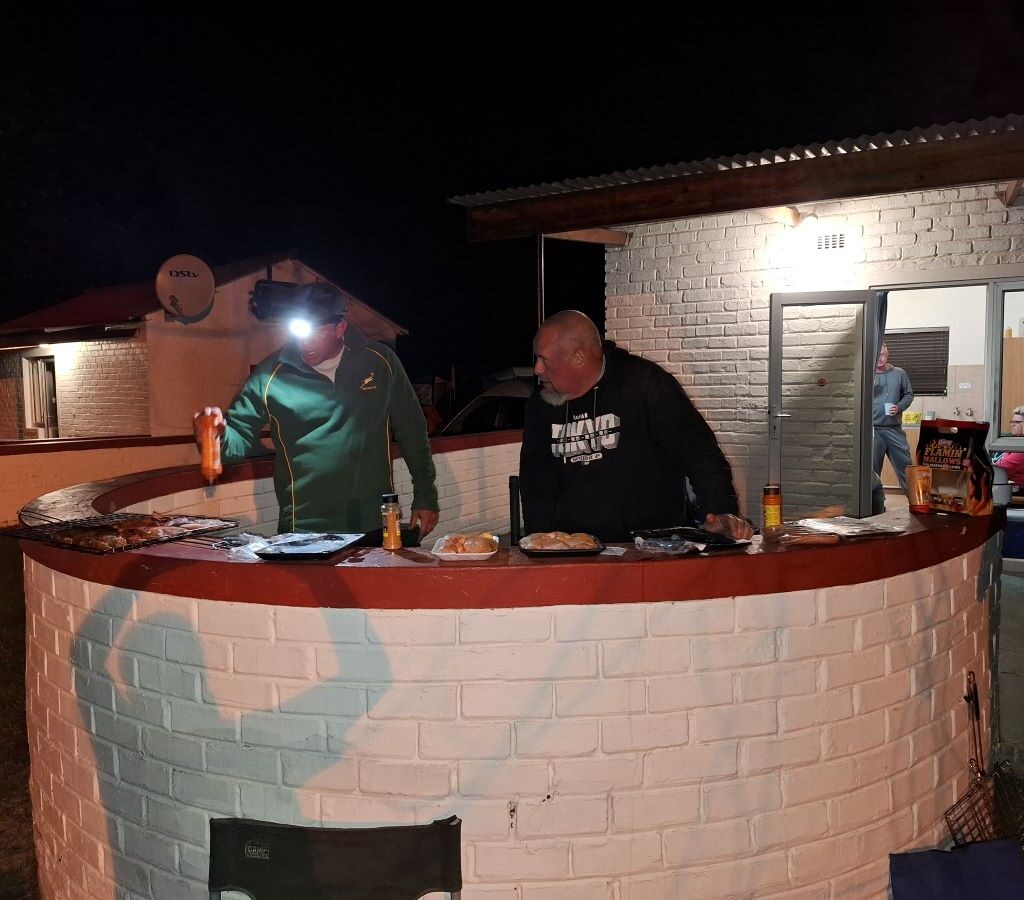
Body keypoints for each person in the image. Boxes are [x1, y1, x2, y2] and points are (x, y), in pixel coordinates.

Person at [194, 283, 439, 537]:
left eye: (316, 331)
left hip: (375, 518)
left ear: (340, 328)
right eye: (299, 331)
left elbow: (412, 427)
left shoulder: (379, 361)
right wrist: (214, 435)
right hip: (304, 526)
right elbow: (238, 440)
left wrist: (425, 495)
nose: (305, 342)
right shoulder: (270, 375)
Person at [519, 310, 753, 542]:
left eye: (545, 360)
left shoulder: (645, 384)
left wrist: (721, 511)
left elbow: (699, 452)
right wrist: (541, 541)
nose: (537, 369)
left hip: (654, 545)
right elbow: (536, 482)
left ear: (578, 357)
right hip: (577, 549)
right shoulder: (541, 406)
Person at [872, 343, 914, 492]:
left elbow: (908, 395)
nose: (879, 358)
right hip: (873, 430)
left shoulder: (899, 373)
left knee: (907, 467)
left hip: (894, 429)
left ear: (887, 354)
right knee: (871, 472)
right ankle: (873, 506)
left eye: (882, 354)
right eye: (876, 354)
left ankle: (916, 502)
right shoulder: (867, 375)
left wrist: (900, 406)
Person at [994, 406, 1024, 490]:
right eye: (1012, 421)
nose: (1012, 425)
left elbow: (1001, 470)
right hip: (1007, 486)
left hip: (1018, 491)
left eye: (1017, 422)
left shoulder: (1021, 448)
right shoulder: (1013, 441)